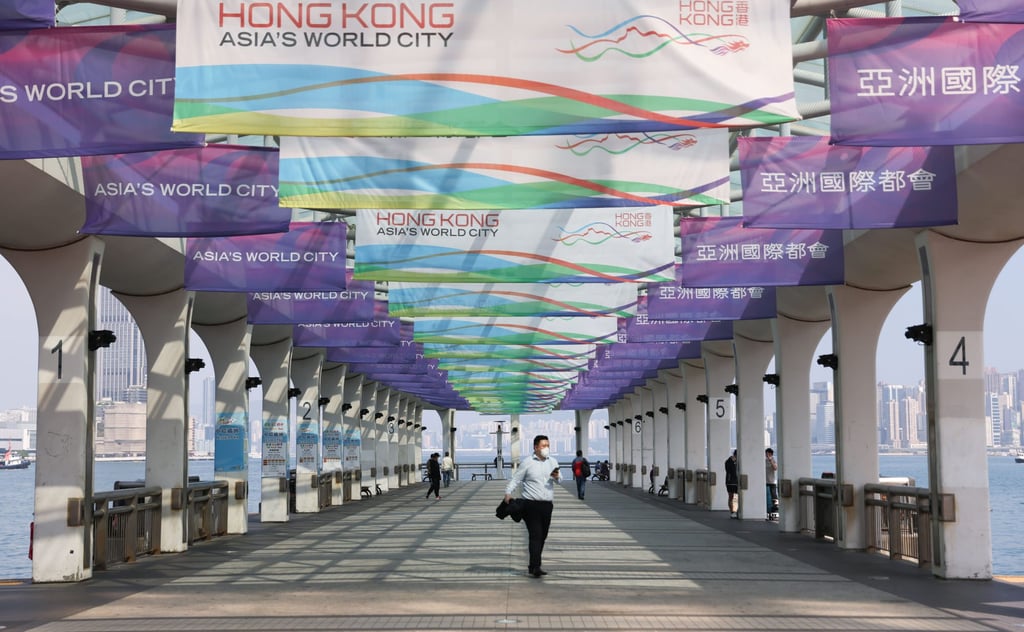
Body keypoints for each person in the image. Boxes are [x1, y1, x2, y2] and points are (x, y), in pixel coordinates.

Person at [504, 435, 559, 578]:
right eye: (543, 446)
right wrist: (508, 492)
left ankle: (534, 565)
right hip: (531, 504)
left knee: (543, 535)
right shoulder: (528, 462)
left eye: (548, 445)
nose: (546, 448)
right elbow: (516, 479)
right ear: (536, 447)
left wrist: (557, 477)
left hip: (547, 505)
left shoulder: (552, 461)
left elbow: (559, 480)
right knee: (536, 535)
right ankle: (535, 567)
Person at [725, 449, 738, 519]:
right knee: (731, 497)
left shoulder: (734, 461)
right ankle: (733, 512)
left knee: (733, 497)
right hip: (731, 482)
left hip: (733, 482)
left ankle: (734, 511)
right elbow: (730, 471)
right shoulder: (729, 461)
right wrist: (734, 462)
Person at [765, 447, 779, 517]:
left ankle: (774, 510)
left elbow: (775, 468)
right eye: (766, 454)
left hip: (772, 482)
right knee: (766, 498)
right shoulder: (764, 461)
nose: (767, 455)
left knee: (774, 497)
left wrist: (771, 460)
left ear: (771, 454)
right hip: (765, 482)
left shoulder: (773, 460)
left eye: (768, 454)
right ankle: (768, 511)